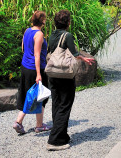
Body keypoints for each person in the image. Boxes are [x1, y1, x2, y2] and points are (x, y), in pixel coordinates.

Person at [46, 10, 94, 151]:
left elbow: (50, 51)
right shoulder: (67, 35)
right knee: (65, 105)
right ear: (68, 22)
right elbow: (74, 53)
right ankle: (55, 141)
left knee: (57, 104)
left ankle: (62, 135)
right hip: (65, 75)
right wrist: (82, 58)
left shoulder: (52, 35)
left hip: (52, 74)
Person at [13, 11, 51, 135]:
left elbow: (23, 48)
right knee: (40, 96)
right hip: (35, 69)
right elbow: (37, 55)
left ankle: (18, 122)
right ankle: (38, 125)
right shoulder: (39, 34)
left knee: (28, 95)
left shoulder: (27, 30)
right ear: (43, 21)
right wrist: (39, 74)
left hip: (25, 67)